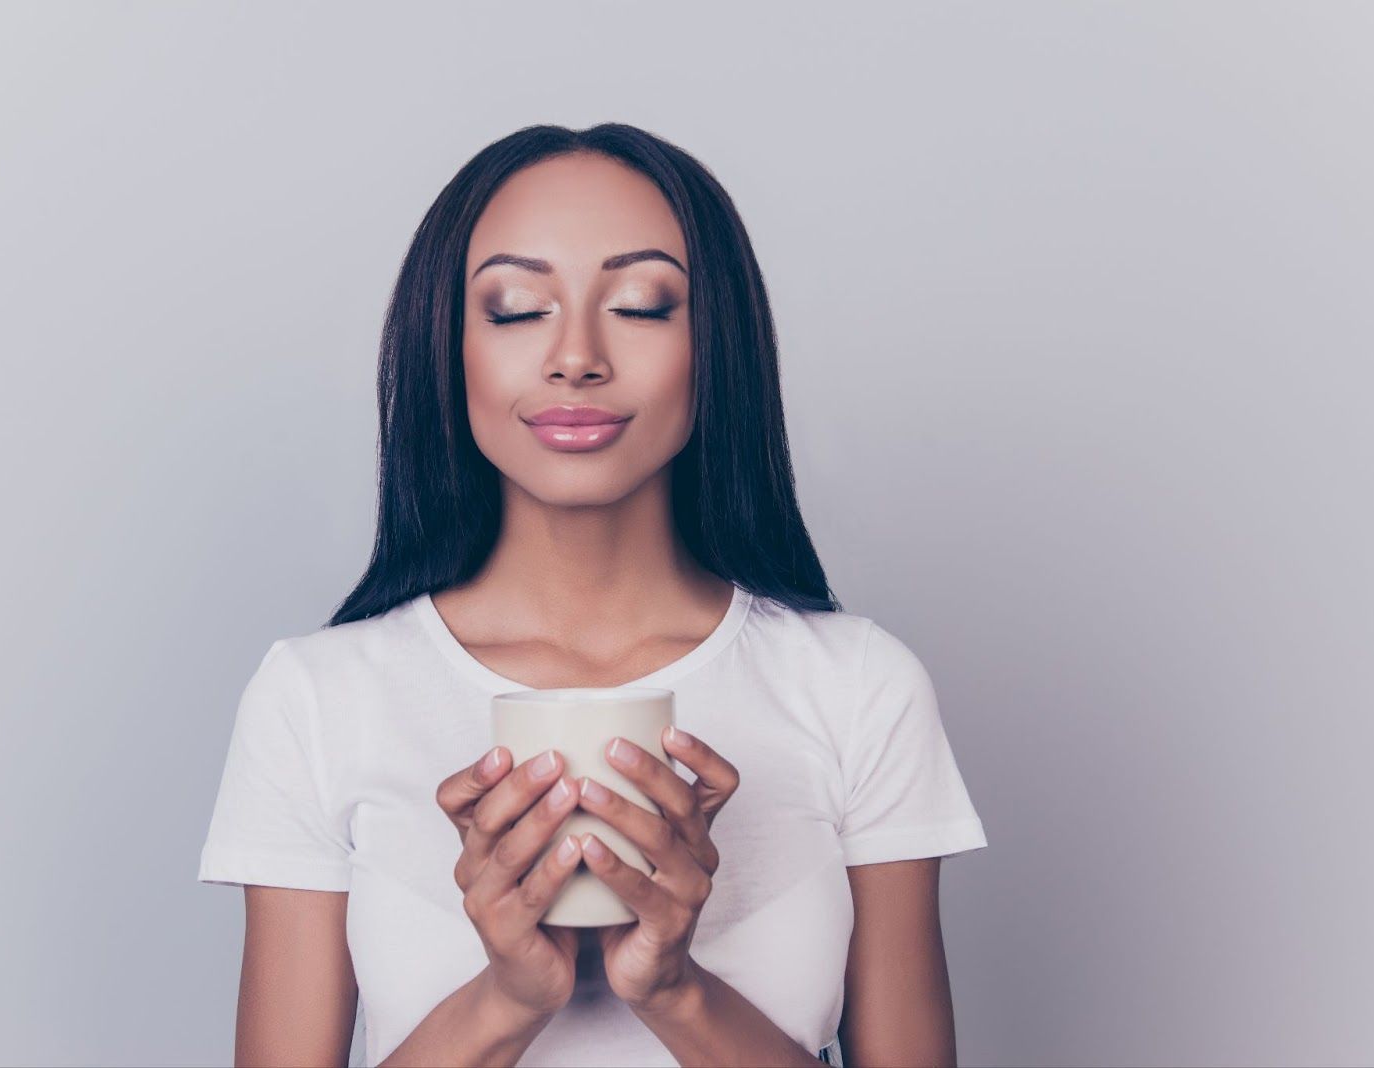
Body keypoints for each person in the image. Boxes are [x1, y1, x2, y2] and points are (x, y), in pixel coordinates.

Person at [197, 122, 988, 1067]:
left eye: (642, 306)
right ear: (447, 348)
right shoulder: (317, 699)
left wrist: (674, 989)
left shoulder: (858, 687)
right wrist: (506, 998)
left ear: (717, 345)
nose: (575, 356)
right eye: (517, 309)